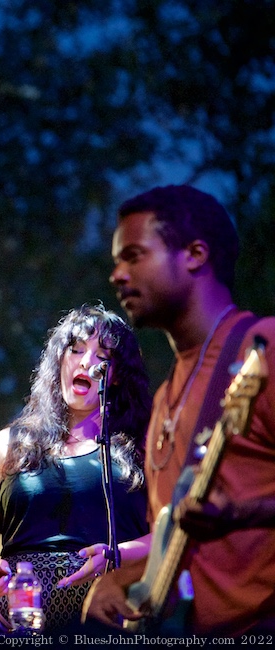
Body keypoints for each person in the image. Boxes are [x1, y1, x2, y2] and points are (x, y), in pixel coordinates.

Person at [84, 184, 275, 636]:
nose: (116, 274)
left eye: (133, 255)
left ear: (193, 254)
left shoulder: (262, 350)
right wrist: (120, 580)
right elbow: (174, 543)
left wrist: (246, 514)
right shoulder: (166, 396)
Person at [0, 304, 152, 632]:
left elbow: (170, 534)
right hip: (20, 615)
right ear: (59, 361)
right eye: (75, 350)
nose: (86, 362)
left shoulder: (143, 452)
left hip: (108, 614)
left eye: (102, 356)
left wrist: (116, 554)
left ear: (118, 374)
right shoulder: (8, 444)